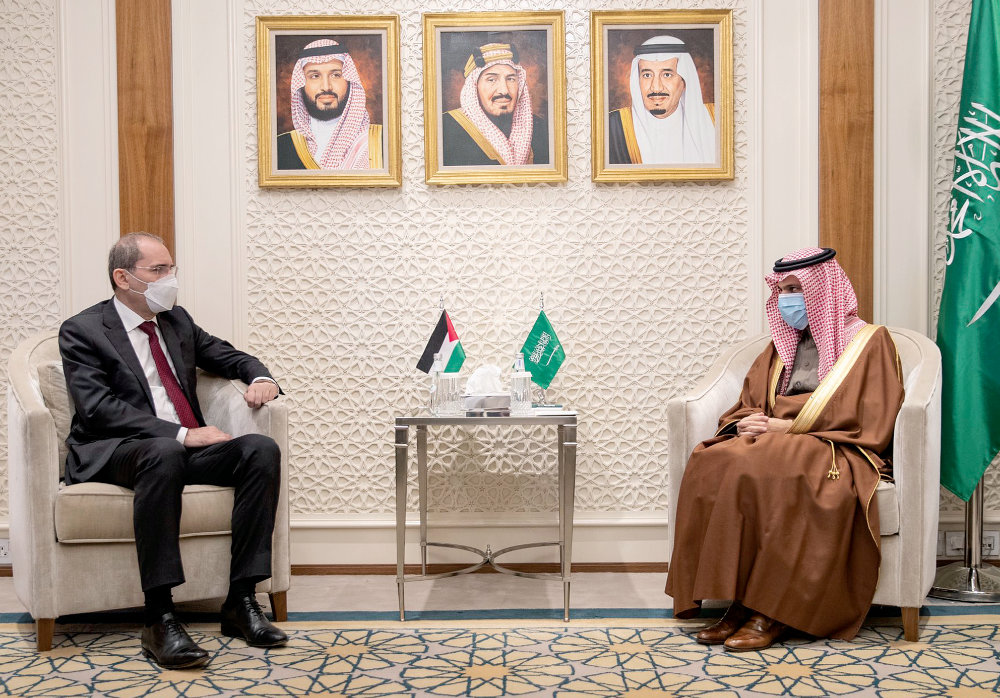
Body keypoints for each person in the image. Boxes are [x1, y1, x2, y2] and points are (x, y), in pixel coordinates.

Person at [59, 232, 288, 669]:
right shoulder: (83, 330)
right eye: (158, 270)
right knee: (163, 451)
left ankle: (240, 600)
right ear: (123, 277)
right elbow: (98, 409)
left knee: (260, 449)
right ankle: (159, 616)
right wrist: (182, 435)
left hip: (179, 449)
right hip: (117, 450)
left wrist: (261, 378)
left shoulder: (176, 321)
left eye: (172, 268)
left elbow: (229, 356)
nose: (171, 279)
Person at [665, 247, 904, 651]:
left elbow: (874, 418)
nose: (788, 299)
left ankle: (773, 612)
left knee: (773, 461)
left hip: (832, 444)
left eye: (797, 288)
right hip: (774, 438)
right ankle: (738, 603)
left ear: (824, 290)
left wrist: (789, 427)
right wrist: (746, 422)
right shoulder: (781, 344)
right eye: (784, 289)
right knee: (715, 457)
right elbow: (752, 398)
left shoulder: (869, 341)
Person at [608, 35, 716, 165]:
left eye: (667, 75)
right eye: (647, 75)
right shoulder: (612, 127)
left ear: (684, 81)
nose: (656, 87)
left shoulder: (716, 119)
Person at [276, 38, 383, 170]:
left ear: (349, 81)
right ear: (302, 84)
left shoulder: (381, 142)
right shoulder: (281, 147)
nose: (326, 87)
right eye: (315, 76)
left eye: (336, 75)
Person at [441, 41, 549, 166]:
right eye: (491, 79)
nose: (504, 90)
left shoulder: (540, 129)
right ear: (474, 87)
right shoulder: (446, 128)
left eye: (511, 79)